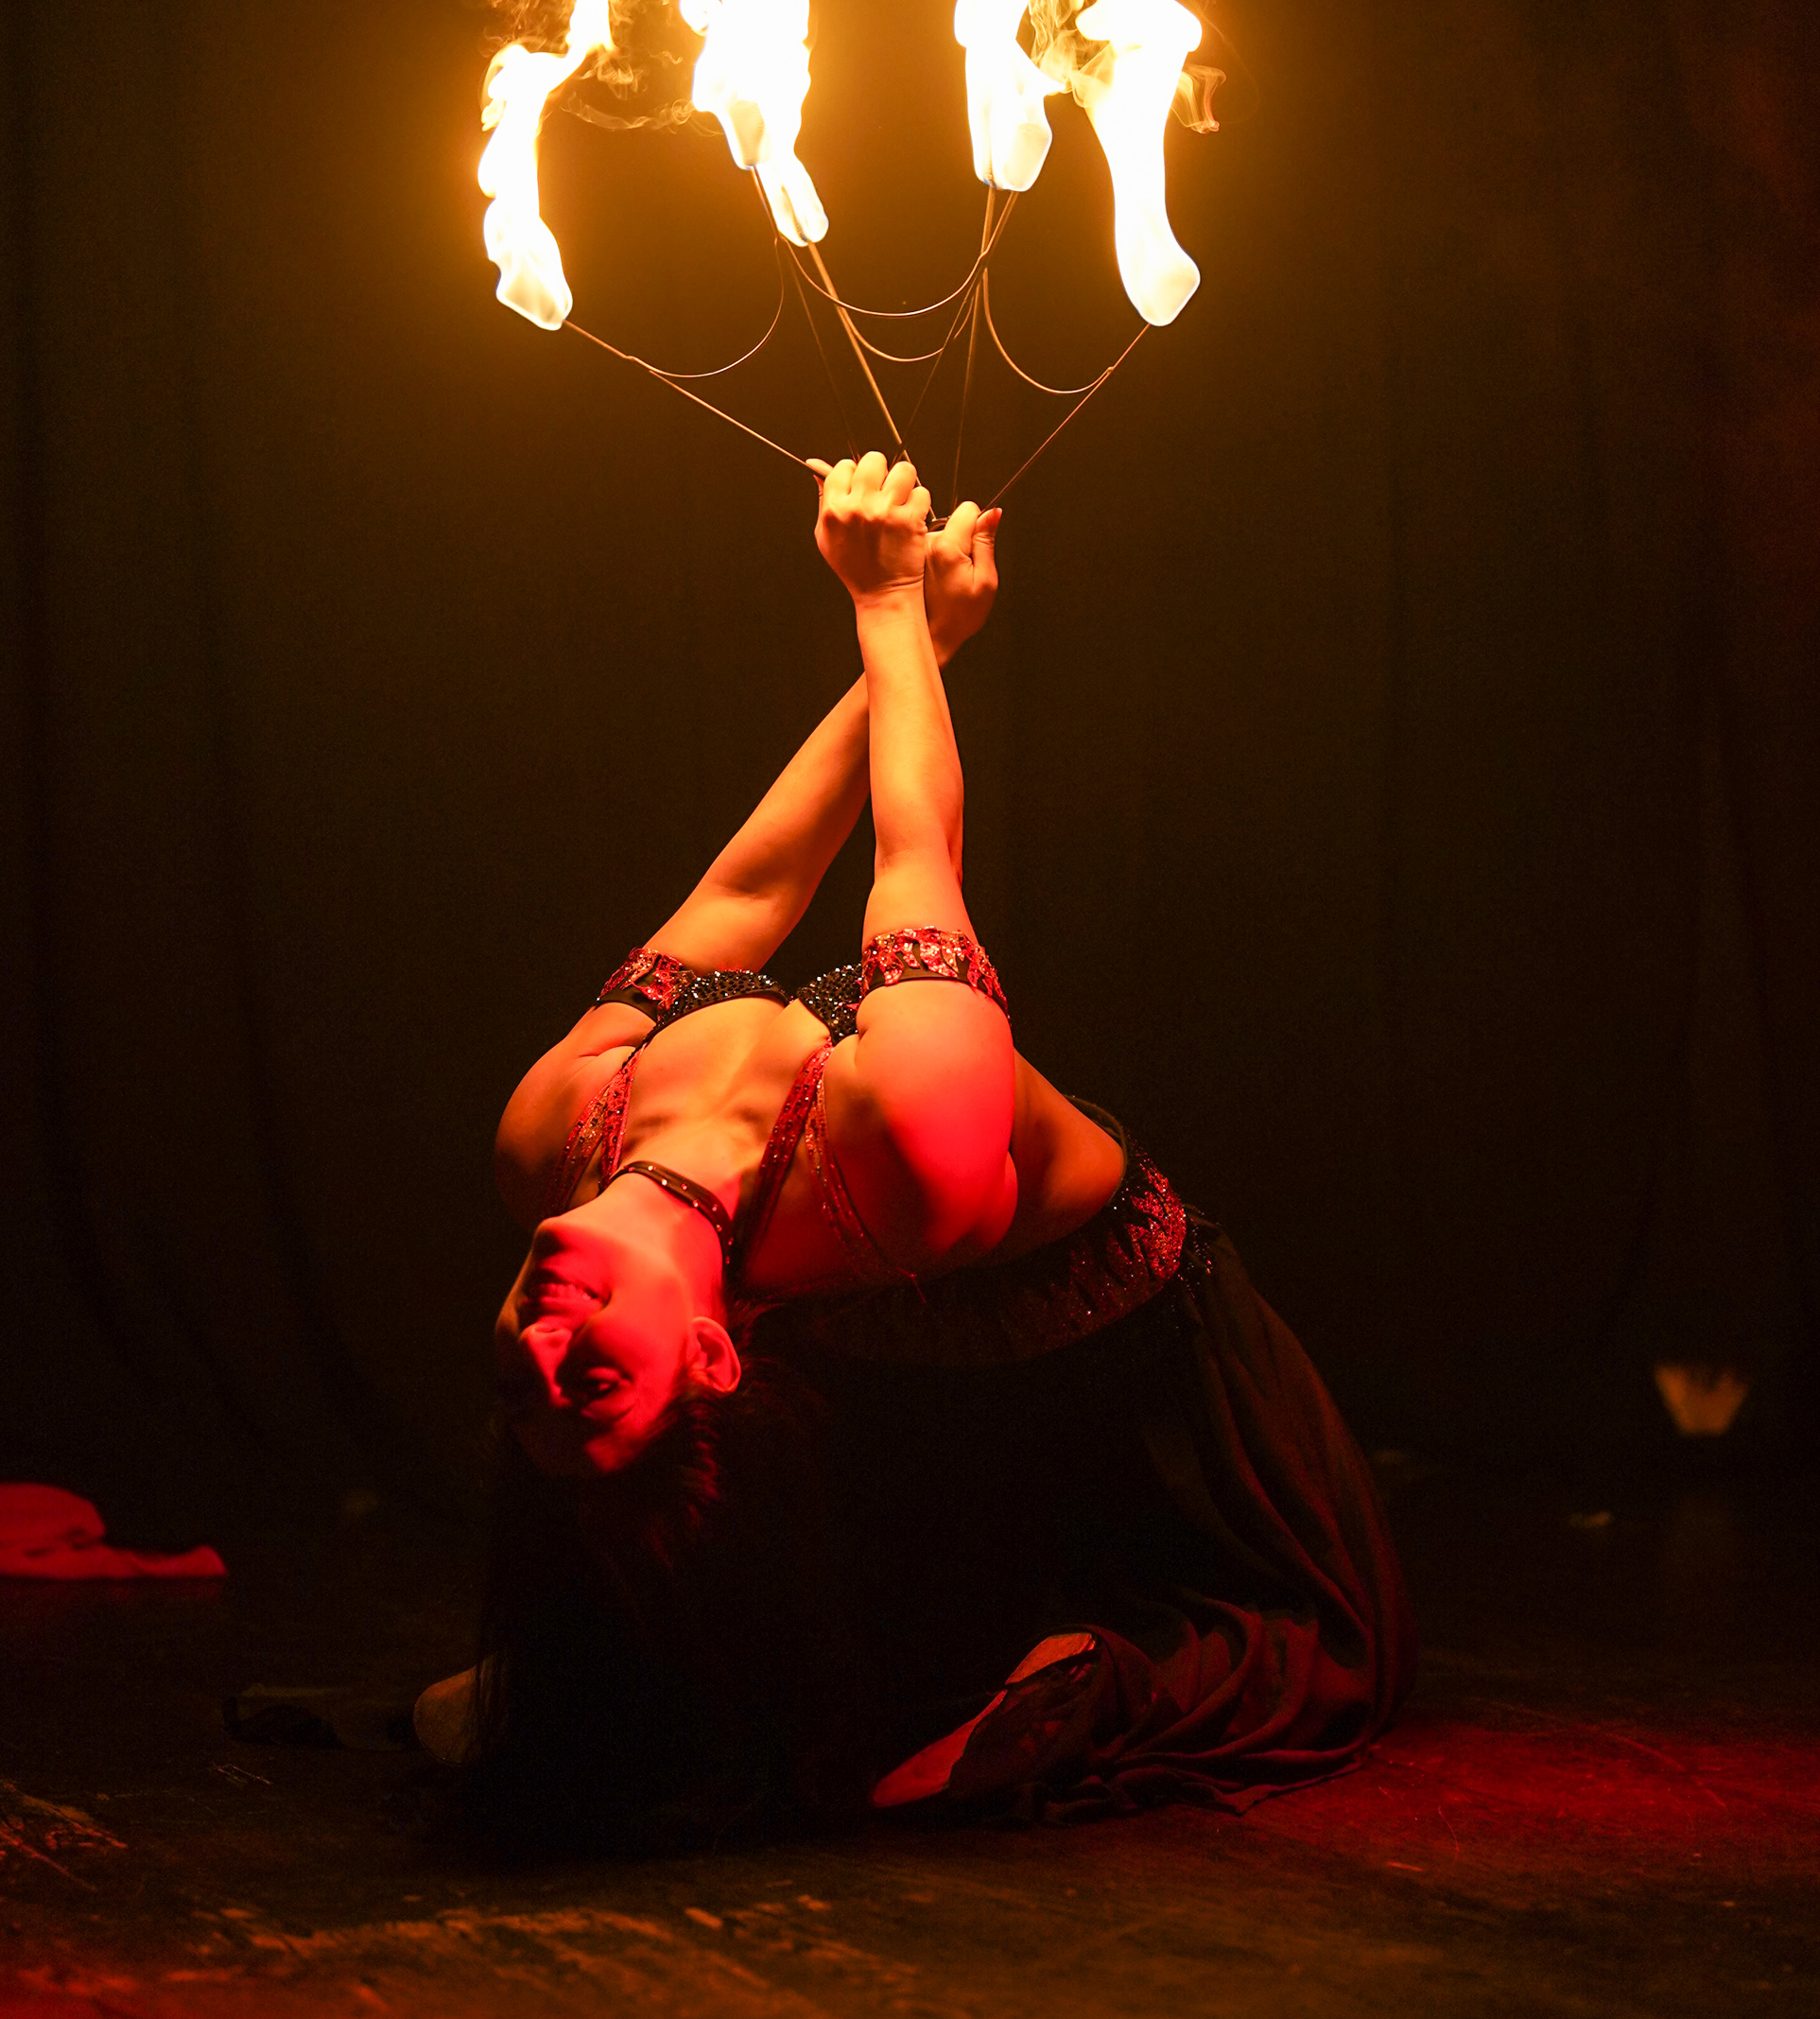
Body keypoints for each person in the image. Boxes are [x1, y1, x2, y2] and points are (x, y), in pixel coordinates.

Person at [418, 456, 1413, 1833]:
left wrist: (922, 641)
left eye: (523, 1390)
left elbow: (751, 885)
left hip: (934, 1395)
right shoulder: (898, 1158)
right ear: (714, 1355)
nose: (539, 1344)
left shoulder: (546, 1137)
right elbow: (918, 859)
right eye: (589, 1387)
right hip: (1131, 1407)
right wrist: (884, 607)